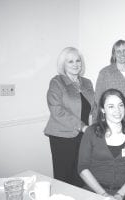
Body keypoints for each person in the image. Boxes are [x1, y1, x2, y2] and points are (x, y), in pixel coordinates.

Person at [44, 47, 96, 187]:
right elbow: (56, 110)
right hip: (62, 137)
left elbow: (93, 107)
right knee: (64, 178)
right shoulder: (57, 82)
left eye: (78, 60)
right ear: (63, 65)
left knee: (81, 175)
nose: (75, 64)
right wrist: (82, 126)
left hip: (84, 136)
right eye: (70, 61)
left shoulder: (87, 82)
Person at [78, 89, 125, 200]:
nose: (117, 110)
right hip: (94, 191)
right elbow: (82, 168)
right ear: (103, 109)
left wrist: (120, 195)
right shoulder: (91, 132)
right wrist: (103, 195)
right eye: (111, 106)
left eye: (120, 105)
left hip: (123, 193)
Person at [95, 40, 125, 122]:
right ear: (114, 54)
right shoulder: (105, 73)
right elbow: (98, 98)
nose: (122, 54)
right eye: (118, 51)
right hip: (111, 120)